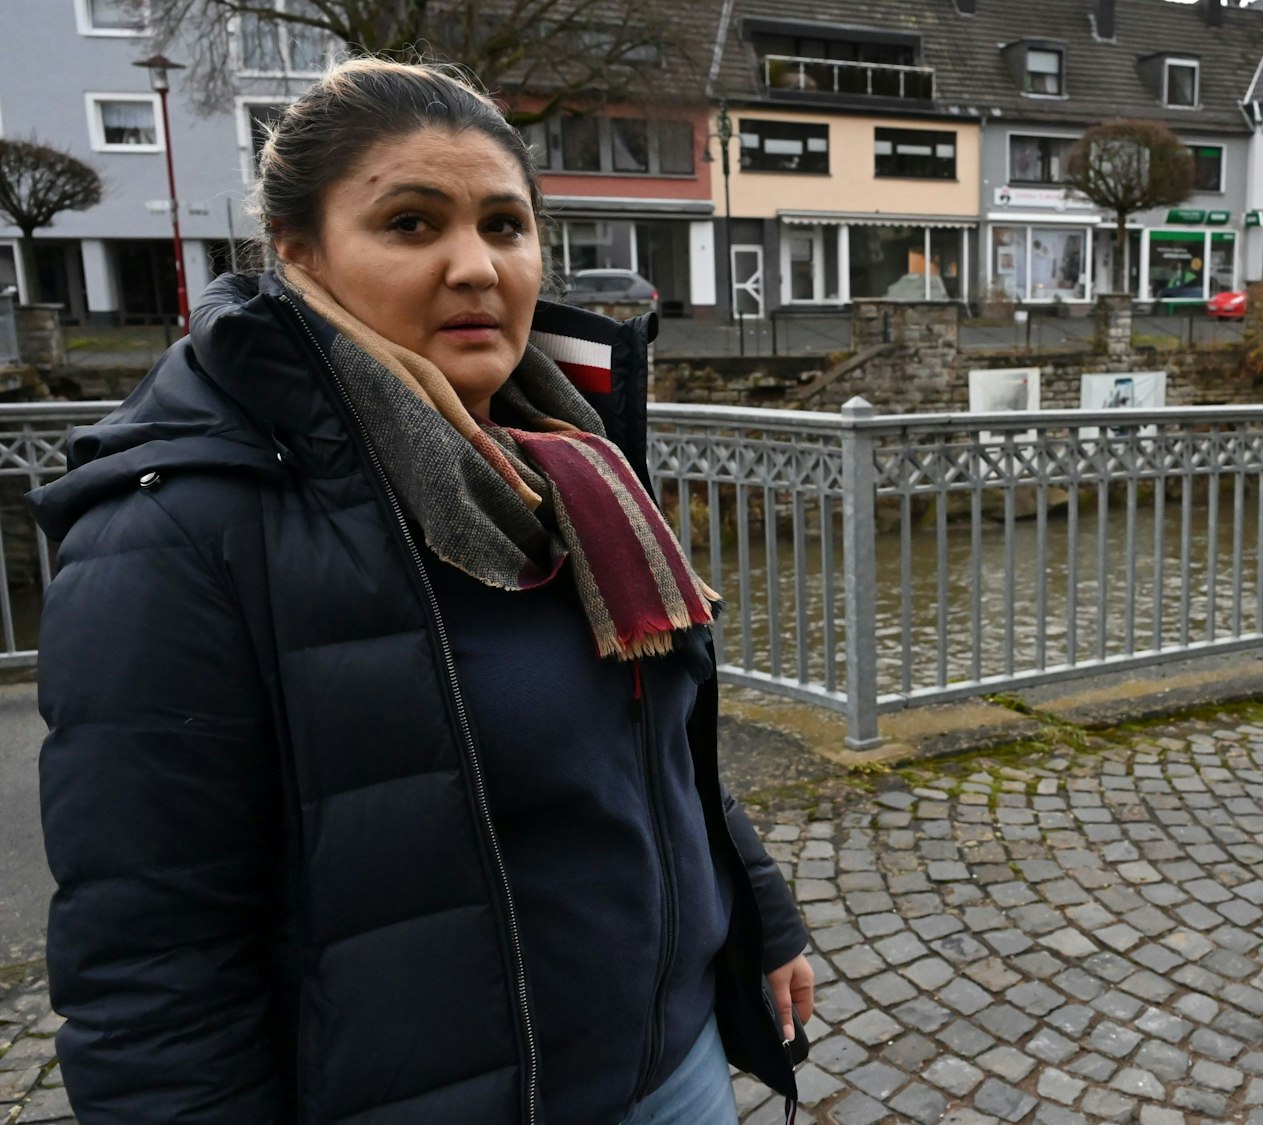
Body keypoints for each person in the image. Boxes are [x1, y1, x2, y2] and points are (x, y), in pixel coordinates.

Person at [30, 58, 812, 1125]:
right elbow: (151, 966)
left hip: (671, 1066)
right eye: (409, 224)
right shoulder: (176, 531)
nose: (476, 266)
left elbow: (655, 742)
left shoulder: (566, 459)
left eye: (503, 225)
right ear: (298, 253)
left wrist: (756, 915)